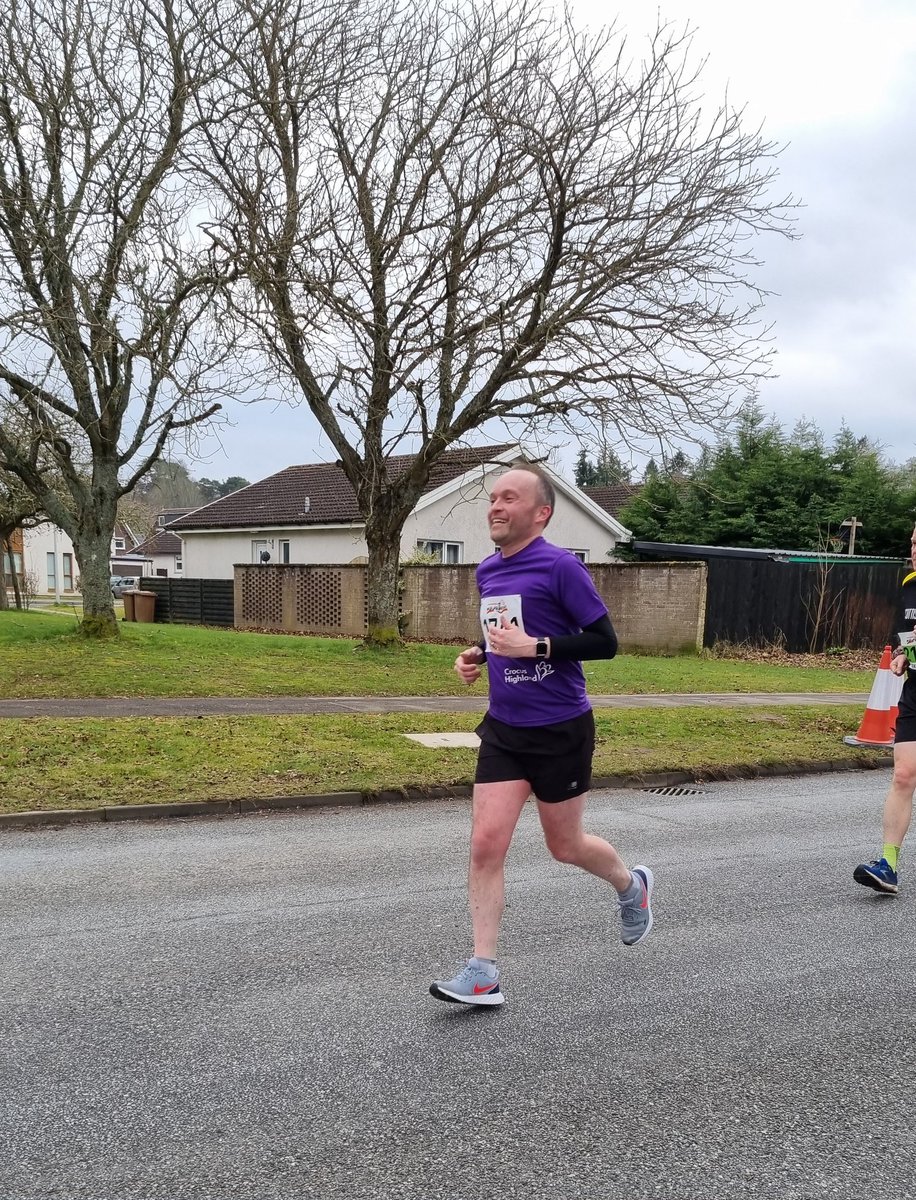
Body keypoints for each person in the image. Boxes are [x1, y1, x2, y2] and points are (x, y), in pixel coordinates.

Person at [429, 464, 653, 1007]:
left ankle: (631, 886)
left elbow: (605, 642)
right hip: (505, 729)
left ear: (541, 513)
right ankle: (483, 972)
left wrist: (538, 648)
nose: (496, 506)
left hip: (560, 730)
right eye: (493, 498)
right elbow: (500, 635)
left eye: (510, 498)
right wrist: (477, 655)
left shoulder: (560, 567)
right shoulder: (488, 570)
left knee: (565, 846)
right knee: (485, 845)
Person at [854, 524, 916, 896]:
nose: (914, 550)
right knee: (904, 775)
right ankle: (888, 865)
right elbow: (907, 637)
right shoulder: (910, 584)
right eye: (913, 543)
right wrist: (902, 656)